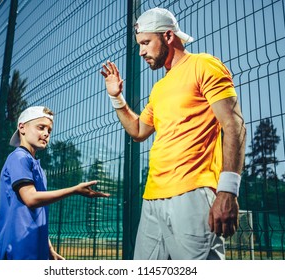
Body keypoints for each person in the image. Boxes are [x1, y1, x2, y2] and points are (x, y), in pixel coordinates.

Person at [100, 7, 246, 260]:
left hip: (193, 195)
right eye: (139, 44)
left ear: (168, 36)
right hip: (153, 198)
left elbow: (234, 126)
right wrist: (116, 97)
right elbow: (138, 131)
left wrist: (228, 191)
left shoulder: (204, 65)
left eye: (146, 43)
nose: (141, 51)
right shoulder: (159, 88)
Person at [0, 106, 110, 260]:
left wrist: (48, 247)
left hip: (36, 248)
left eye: (49, 131)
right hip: (18, 248)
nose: (46, 133)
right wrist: (74, 190)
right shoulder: (19, 158)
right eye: (41, 127)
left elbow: (38, 213)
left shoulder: (36, 166)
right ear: (22, 128)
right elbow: (30, 198)